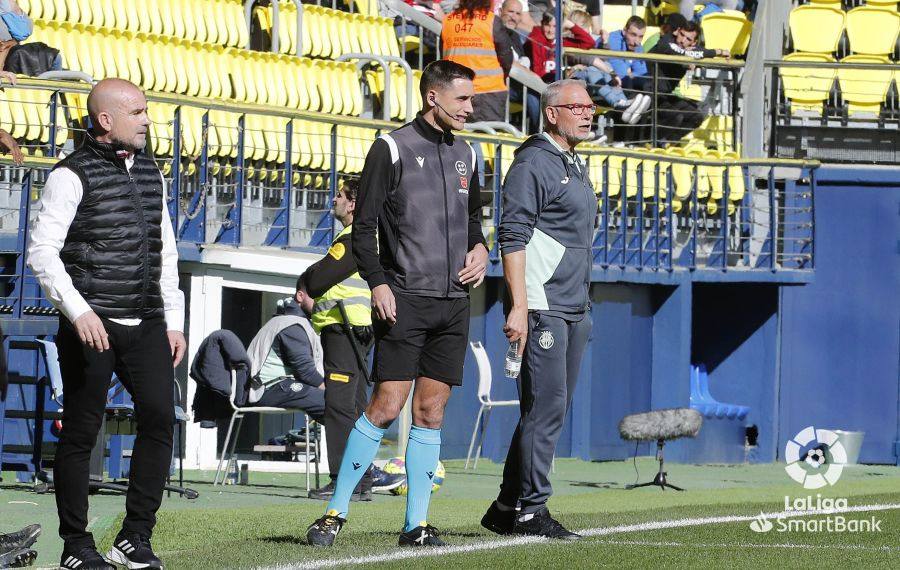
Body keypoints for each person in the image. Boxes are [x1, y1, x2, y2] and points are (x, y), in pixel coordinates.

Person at [306, 60, 488, 548]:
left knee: (432, 413)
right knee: (386, 405)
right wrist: (379, 283)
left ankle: (416, 526)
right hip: (403, 298)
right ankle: (334, 512)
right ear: (433, 97)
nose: (471, 108)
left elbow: (475, 223)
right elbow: (363, 227)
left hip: (453, 303)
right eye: (463, 99)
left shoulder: (470, 153)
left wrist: (482, 249)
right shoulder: (390, 147)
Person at [27, 78, 186, 570]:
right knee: (81, 433)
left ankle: (135, 537)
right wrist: (79, 312)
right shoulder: (69, 175)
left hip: (149, 323)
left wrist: (174, 318)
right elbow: (41, 252)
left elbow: (167, 250)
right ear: (105, 120)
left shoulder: (151, 172)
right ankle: (76, 546)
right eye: (138, 111)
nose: (147, 119)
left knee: (160, 421)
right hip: (91, 323)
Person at [481, 79, 595, 540]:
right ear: (552, 113)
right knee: (545, 408)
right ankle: (532, 509)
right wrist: (520, 307)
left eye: (591, 108)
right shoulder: (532, 163)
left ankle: (507, 505)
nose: (589, 114)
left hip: (574, 304)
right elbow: (512, 236)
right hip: (544, 304)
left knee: (549, 409)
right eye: (579, 107)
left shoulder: (574, 163)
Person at [299, 179, 377, 501]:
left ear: (353, 204)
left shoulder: (351, 239)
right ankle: (362, 480)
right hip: (358, 331)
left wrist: (305, 287)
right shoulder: (368, 238)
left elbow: (317, 279)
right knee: (358, 407)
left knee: (339, 407)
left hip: (344, 330)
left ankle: (342, 480)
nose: (334, 199)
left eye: (340, 196)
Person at [244, 290, 326, 423]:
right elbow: (306, 372)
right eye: (317, 297)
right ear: (300, 296)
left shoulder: (286, 320)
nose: (322, 302)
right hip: (266, 388)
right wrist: (331, 391)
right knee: (335, 406)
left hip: (271, 385)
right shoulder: (292, 325)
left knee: (336, 406)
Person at [649, 19, 729, 145]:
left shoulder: (690, 51)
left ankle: (666, 143)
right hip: (648, 91)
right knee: (676, 116)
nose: (682, 40)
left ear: (694, 42)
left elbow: (697, 52)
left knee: (696, 116)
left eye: (688, 39)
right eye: (682, 35)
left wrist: (716, 52)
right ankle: (649, 143)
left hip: (664, 95)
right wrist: (691, 57)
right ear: (677, 32)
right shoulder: (666, 40)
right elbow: (676, 51)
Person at [441, 0, 514, 123]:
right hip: (489, 92)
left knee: (458, 137)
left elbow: (443, 54)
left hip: (456, 91)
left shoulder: (448, 20)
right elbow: (506, 58)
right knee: (489, 137)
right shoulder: (491, 21)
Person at [499, 0, 540, 133]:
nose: (513, 16)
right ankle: (537, 135)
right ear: (500, 12)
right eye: (510, 12)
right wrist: (533, 77)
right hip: (500, 85)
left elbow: (522, 60)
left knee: (535, 95)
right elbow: (507, 60)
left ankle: (540, 134)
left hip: (516, 85)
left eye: (517, 13)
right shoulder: (496, 33)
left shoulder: (515, 35)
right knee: (533, 94)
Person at [525, 11, 594, 83]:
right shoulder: (536, 39)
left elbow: (589, 43)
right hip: (539, 85)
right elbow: (538, 71)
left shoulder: (562, 41)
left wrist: (570, 25)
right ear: (542, 24)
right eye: (547, 25)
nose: (551, 30)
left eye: (555, 26)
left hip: (557, 83)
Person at [605, 15, 650, 94]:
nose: (637, 41)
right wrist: (628, 73)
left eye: (641, 37)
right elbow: (621, 73)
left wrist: (629, 73)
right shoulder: (613, 40)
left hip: (618, 84)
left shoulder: (637, 46)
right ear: (624, 31)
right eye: (633, 35)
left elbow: (642, 73)